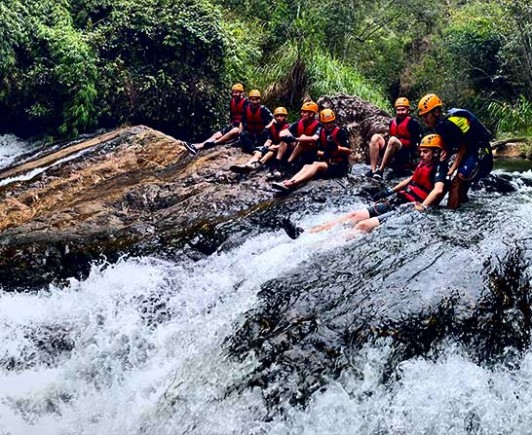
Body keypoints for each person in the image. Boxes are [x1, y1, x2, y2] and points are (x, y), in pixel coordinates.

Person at [282, 133, 448, 238]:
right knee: (353, 216)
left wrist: (423, 207)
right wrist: (389, 191)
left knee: (362, 226)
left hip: (408, 209)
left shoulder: (440, 167)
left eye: (426, 152)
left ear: (436, 152)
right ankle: (306, 233)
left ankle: (318, 245)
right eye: (422, 151)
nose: (422, 154)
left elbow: (438, 189)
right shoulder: (423, 164)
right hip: (398, 200)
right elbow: (412, 179)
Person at [417, 93, 493, 209]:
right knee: (461, 189)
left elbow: (461, 149)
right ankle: (464, 210)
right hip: (470, 151)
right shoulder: (440, 125)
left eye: (426, 116)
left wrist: (451, 170)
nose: (424, 119)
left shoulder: (448, 124)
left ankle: (451, 216)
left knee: (455, 183)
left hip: (480, 152)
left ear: (436, 113)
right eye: (422, 116)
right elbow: (450, 146)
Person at [271, 108, 350, 191]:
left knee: (316, 164)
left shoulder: (341, 132)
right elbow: (318, 149)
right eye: (327, 123)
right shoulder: (322, 132)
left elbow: (349, 151)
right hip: (328, 162)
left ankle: (294, 184)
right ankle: (290, 181)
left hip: (339, 166)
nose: (329, 125)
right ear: (323, 123)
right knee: (306, 166)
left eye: (331, 122)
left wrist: (338, 148)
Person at [365, 97, 423, 179]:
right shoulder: (392, 122)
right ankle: (373, 170)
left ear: (408, 110)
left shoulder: (413, 123)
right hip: (393, 150)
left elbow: (417, 143)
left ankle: (381, 171)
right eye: (398, 110)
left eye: (403, 110)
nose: (400, 112)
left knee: (392, 140)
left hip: (405, 153)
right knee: (375, 137)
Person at [184, 83, 247, 154]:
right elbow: (232, 116)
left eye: (237, 92)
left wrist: (241, 134)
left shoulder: (245, 102)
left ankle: (214, 143)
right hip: (233, 124)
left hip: (242, 126)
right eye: (234, 92)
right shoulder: (232, 101)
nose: (235, 94)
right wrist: (229, 126)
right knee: (217, 135)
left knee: (234, 131)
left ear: (241, 93)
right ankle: (196, 147)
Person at [229, 106, 289, 177]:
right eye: (277, 116)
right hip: (273, 149)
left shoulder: (289, 128)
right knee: (259, 152)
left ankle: (259, 164)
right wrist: (265, 147)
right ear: (274, 117)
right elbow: (269, 139)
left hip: (284, 152)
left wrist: (272, 147)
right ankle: (248, 165)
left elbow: (287, 144)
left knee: (270, 152)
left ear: (285, 117)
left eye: (282, 116)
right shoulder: (273, 126)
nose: (279, 118)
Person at [277, 101, 322, 171]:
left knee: (302, 139)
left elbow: (314, 138)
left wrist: (296, 139)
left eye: (304, 112)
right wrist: (289, 137)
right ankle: (277, 163)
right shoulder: (299, 122)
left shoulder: (319, 126)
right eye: (302, 112)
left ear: (311, 114)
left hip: (311, 152)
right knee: (285, 140)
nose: (301, 114)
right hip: (298, 148)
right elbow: (283, 133)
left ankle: (287, 164)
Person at [238, 89, 274, 154]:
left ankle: (260, 148)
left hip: (261, 133)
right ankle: (253, 150)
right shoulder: (246, 109)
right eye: (253, 100)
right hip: (250, 133)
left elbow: (274, 119)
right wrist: (240, 133)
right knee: (243, 135)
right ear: (249, 100)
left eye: (257, 99)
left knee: (268, 133)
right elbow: (242, 121)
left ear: (259, 100)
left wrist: (267, 127)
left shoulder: (263, 109)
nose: (255, 102)